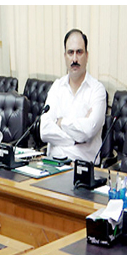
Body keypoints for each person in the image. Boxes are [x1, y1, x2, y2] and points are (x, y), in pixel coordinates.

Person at [40, 29, 106, 163]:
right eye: (70, 53)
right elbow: (44, 130)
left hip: (83, 168)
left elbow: (88, 130)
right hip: (53, 165)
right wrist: (75, 140)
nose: (74, 59)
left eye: (79, 52)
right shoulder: (57, 87)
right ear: (65, 56)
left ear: (87, 55)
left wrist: (60, 122)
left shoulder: (97, 90)